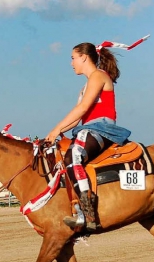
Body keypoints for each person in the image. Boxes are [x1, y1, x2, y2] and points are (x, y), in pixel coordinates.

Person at [45, 42, 131, 230]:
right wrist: (54, 133)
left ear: (84, 57)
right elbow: (77, 118)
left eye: (73, 58)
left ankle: (88, 213)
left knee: (73, 156)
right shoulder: (85, 87)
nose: (71, 63)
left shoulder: (98, 76)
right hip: (89, 128)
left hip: (101, 128)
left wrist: (57, 129)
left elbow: (83, 108)